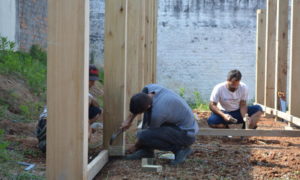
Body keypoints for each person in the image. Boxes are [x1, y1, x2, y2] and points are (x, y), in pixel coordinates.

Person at [120, 84, 199, 165]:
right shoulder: (149, 89)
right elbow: (138, 104)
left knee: (143, 135)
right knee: (146, 132)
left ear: (148, 106)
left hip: (186, 134)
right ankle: (146, 151)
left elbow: (150, 133)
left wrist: (135, 147)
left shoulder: (158, 113)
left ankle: (181, 150)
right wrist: (128, 120)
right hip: (177, 124)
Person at [36, 65, 102, 152]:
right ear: (82, 78)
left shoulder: (74, 87)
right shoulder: (76, 92)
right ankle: (56, 144)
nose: (93, 84)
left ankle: (55, 144)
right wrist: (86, 134)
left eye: (94, 81)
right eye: (90, 80)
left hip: (50, 124)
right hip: (50, 124)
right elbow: (83, 116)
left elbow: (96, 107)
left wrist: (93, 99)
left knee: (95, 111)